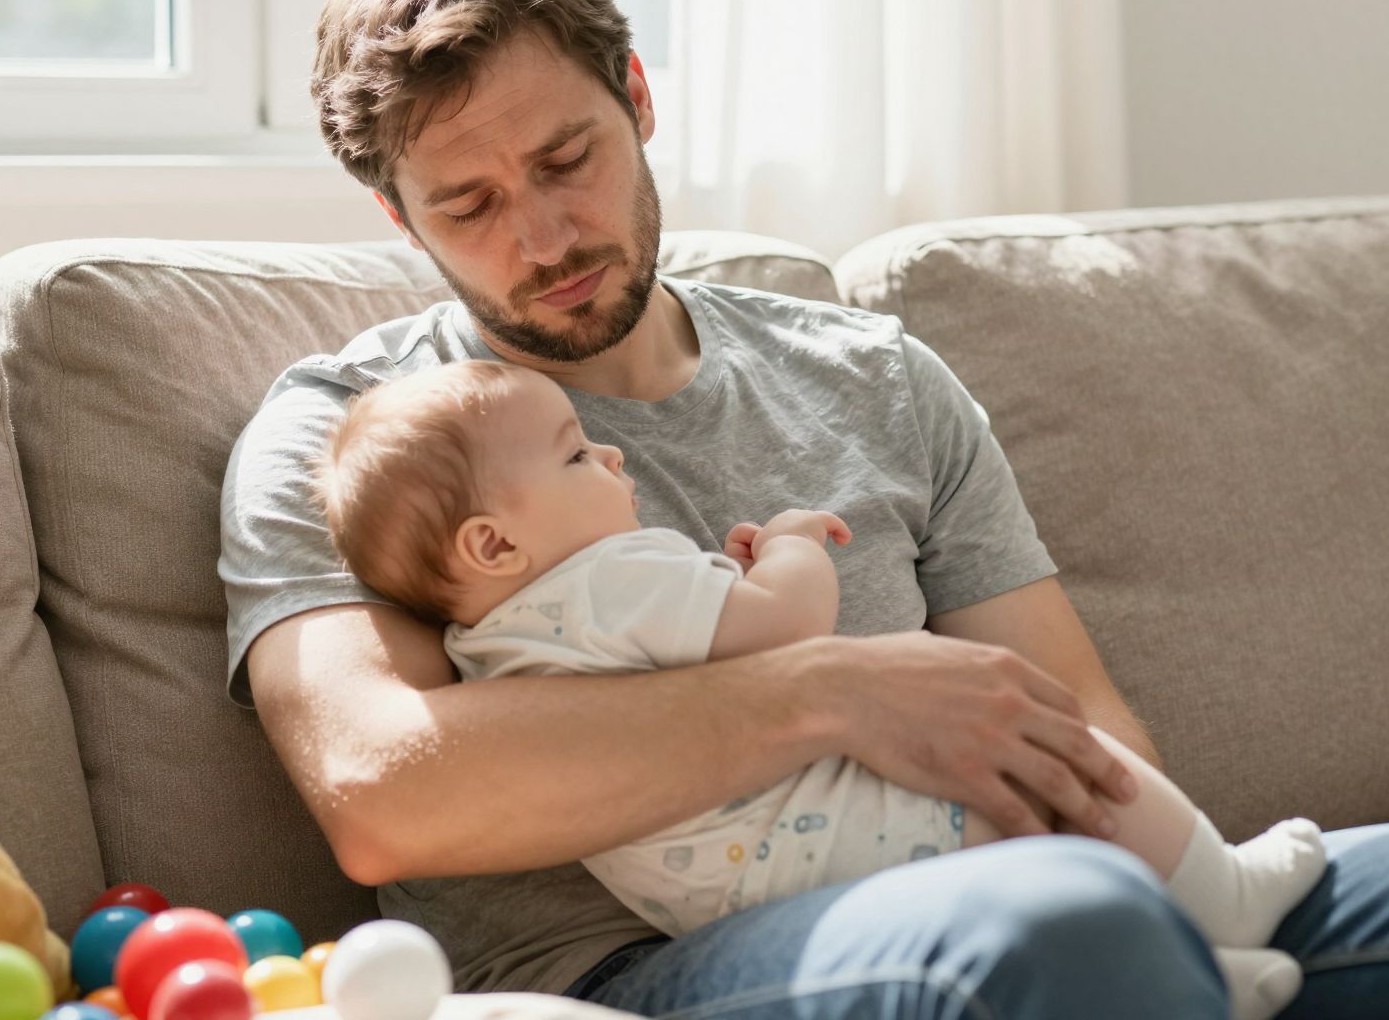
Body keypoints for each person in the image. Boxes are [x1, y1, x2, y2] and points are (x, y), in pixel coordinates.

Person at [218, 0, 1389, 1019]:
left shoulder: (872, 378)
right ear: (397, 219)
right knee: (1064, 928)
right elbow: (382, 795)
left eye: (566, 160)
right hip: (647, 966)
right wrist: (830, 686)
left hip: (1040, 888)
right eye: (471, 204)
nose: (543, 234)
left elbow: (1079, 707)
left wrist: (1167, 869)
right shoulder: (348, 438)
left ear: (637, 100)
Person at [308, 358, 1331, 1019]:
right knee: (1070, 784)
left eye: (563, 158)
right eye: (577, 453)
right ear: (493, 539)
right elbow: (781, 623)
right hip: (820, 853)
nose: (610, 455)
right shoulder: (612, 577)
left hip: (730, 887)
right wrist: (791, 546)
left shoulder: (491, 647)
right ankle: (1221, 902)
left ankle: (1196, 970)